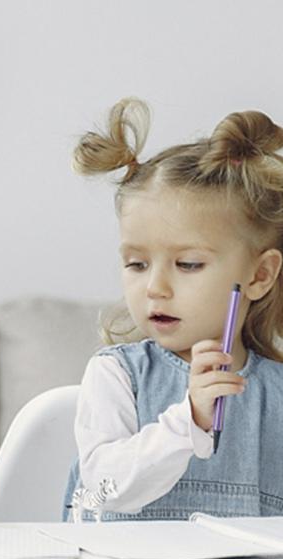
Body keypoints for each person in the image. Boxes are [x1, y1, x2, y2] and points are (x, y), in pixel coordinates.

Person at [63, 98, 283, 520]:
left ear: (259, 276)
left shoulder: (274, 393)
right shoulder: (117, 377)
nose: (155, 287)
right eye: (137, 264)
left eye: (188, 264)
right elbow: (102, 490)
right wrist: (186, 424)